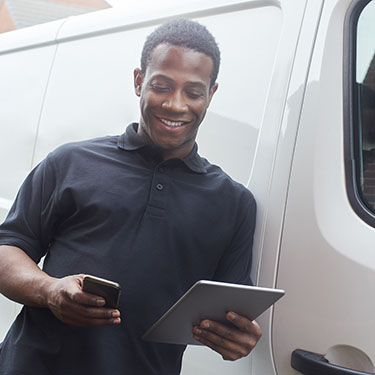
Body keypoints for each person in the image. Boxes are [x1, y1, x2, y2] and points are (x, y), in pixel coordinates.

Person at [0, 19, 261, 374]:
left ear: (211, 95)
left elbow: (230, 315)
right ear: (139, 81)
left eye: (193, 92)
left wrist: (237, 340)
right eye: (162, 86)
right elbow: (8, 250)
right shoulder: (70, 162)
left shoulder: (235, 203)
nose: (175, 104)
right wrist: (49, 290)